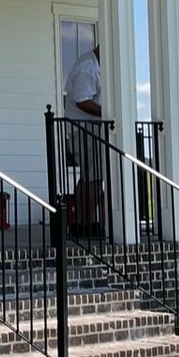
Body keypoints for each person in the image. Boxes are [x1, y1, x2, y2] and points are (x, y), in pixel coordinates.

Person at [62, 43, 108, 235]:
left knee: (90, 177)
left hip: (90, 130)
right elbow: (82, 101)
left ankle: (82, 223)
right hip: (83, 130)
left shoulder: (96, 66)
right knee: (95, 177)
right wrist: (110, 112)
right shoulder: (88, 67)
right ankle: (86, 224)